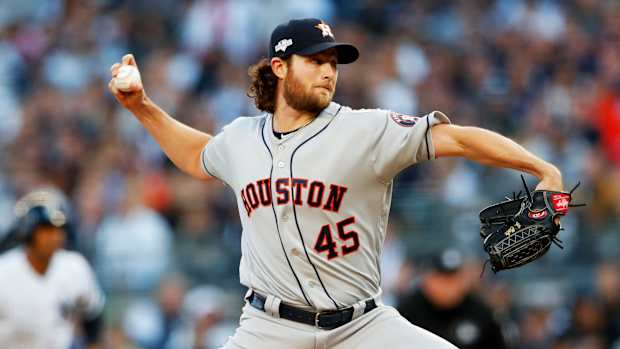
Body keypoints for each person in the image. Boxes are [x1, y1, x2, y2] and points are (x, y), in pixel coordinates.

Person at [108, 18, 564, 349]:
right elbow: (195, 154)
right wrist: (141, 106)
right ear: (280, 66)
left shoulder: (366, 130)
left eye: (334, 62)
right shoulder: (241, 139)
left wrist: (544, 170)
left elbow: (459, 138)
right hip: (270, 329)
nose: (329, 71)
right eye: (315, 60)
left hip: (362, 327)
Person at [0, 188, 105, 349]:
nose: (55, 236)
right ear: (27, 231)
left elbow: (93, 313)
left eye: (59, 229)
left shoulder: (74, 267)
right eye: (46, 230)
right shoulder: (4, 271)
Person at [398, 248, 507, 349]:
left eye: (455, 279)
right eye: (443, 280)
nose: (449, 287)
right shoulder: (407, 313)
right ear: (427, 279)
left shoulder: (480, 313)